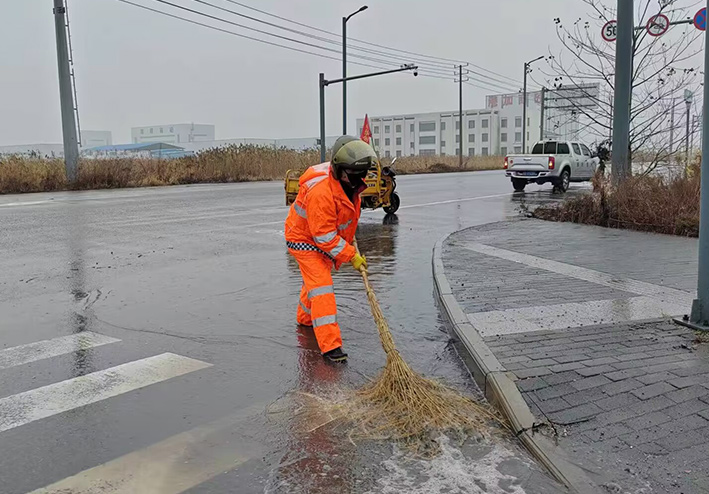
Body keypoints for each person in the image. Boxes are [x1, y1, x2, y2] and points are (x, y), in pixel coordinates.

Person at [284, 136, 376, 362]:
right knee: (322, 287)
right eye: (355, 175)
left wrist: (347, 241)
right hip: (303, 239)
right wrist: (351, 255)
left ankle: (304, 319)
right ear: (341, 171)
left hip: (319, 237)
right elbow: (324, 236)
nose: (360, 179)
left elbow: (338, 222)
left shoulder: (347, 182)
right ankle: (330, 347)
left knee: (313, 283)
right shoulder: (322, 193)